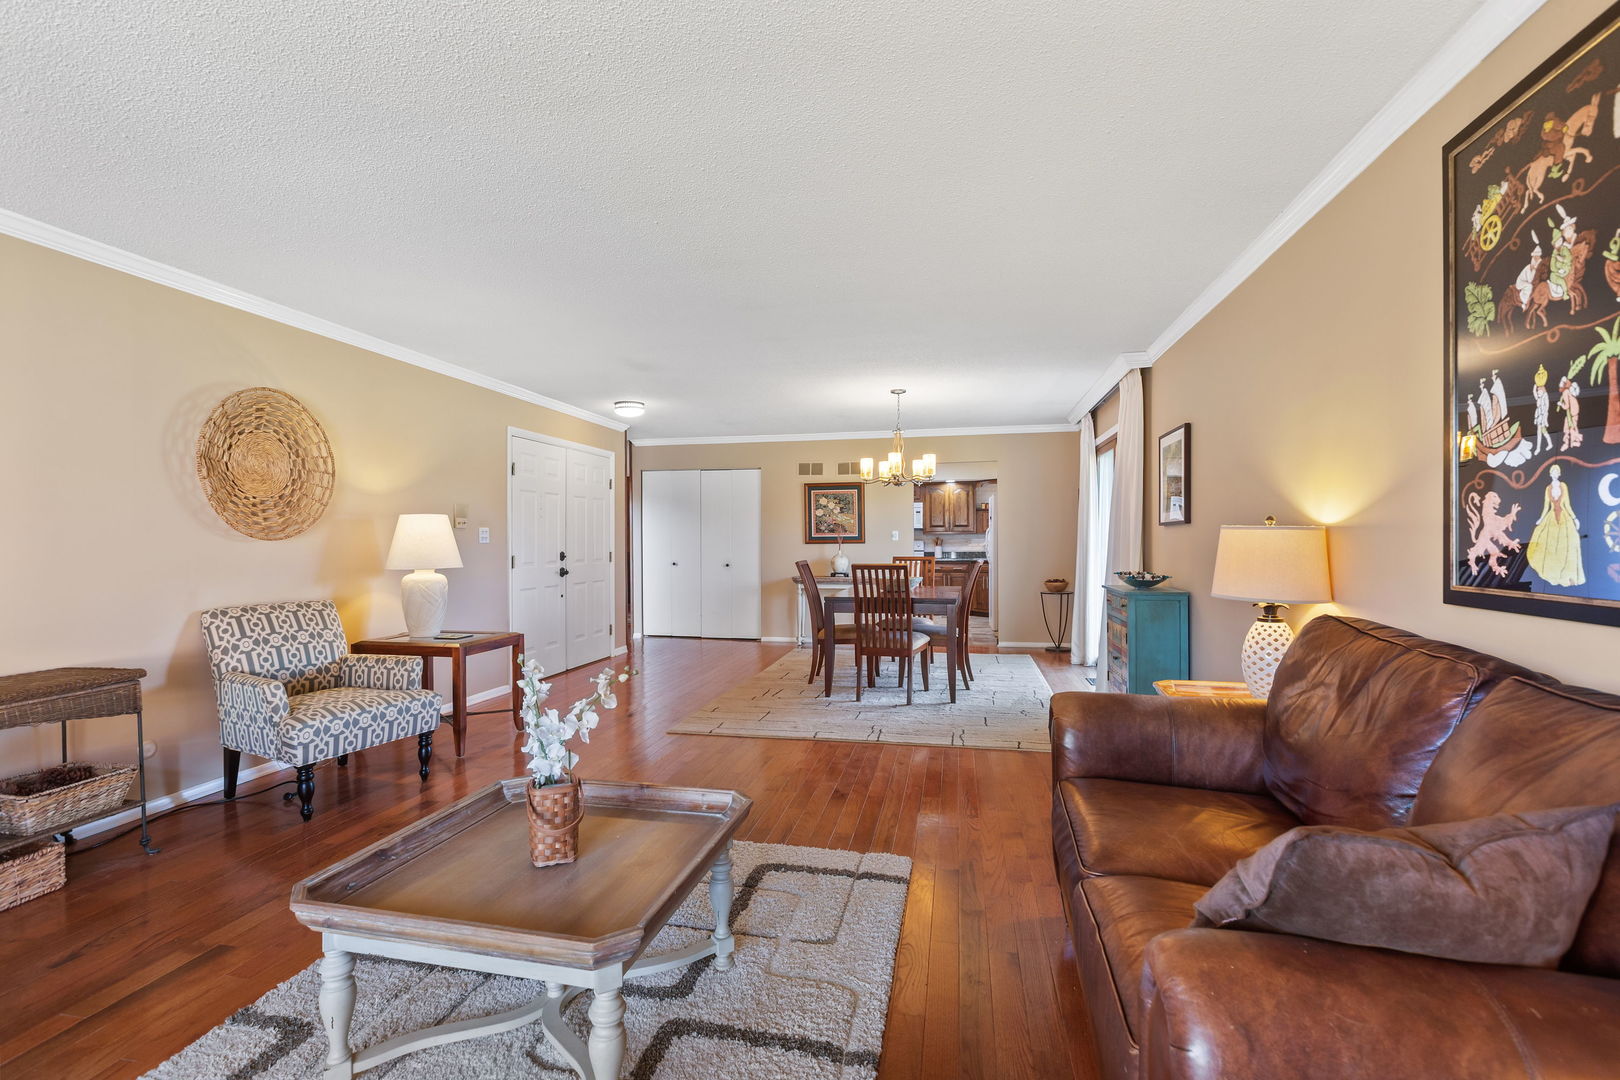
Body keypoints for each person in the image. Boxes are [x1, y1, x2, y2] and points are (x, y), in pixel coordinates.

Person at [1526, 464, 1585, 587]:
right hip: (1551, 518)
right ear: (1550, 473)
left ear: (1559, 474)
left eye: (1556, 471)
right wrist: (1541, 519)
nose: (1554, 473)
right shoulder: (1548, 488)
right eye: (1553, 471)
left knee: (1568, 546)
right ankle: (1555, 574)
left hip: (1564, 518)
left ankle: (1569, 576)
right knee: (1550, 546)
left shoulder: (1563, 486)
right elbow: (1546, 506)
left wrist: (1574, 518)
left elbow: (1567, 504)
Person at [1560, 374, 1584, 450]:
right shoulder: (1568, 392)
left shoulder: (1566, 392)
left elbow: (1566, 406)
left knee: (1571, 426)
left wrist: (1561, 404)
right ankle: (1569, 442)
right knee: (1569, 426)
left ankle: (1573, 441)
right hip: (1574, 412)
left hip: (1572, 412)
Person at [1532, 365, 1552, 453]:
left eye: (1539, 392)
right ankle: (1539, 448)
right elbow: (1534, 393)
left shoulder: (1544, 399)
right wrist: (1535, 386)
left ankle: (1547, 445)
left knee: (1543, 432)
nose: (1538, 393)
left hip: (1542, 418)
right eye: (1538, 392)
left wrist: (1545, 420)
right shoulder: (1539, 399)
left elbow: (1546, 409)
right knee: (1540, 432)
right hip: (1538, 417)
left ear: (1543, 392)